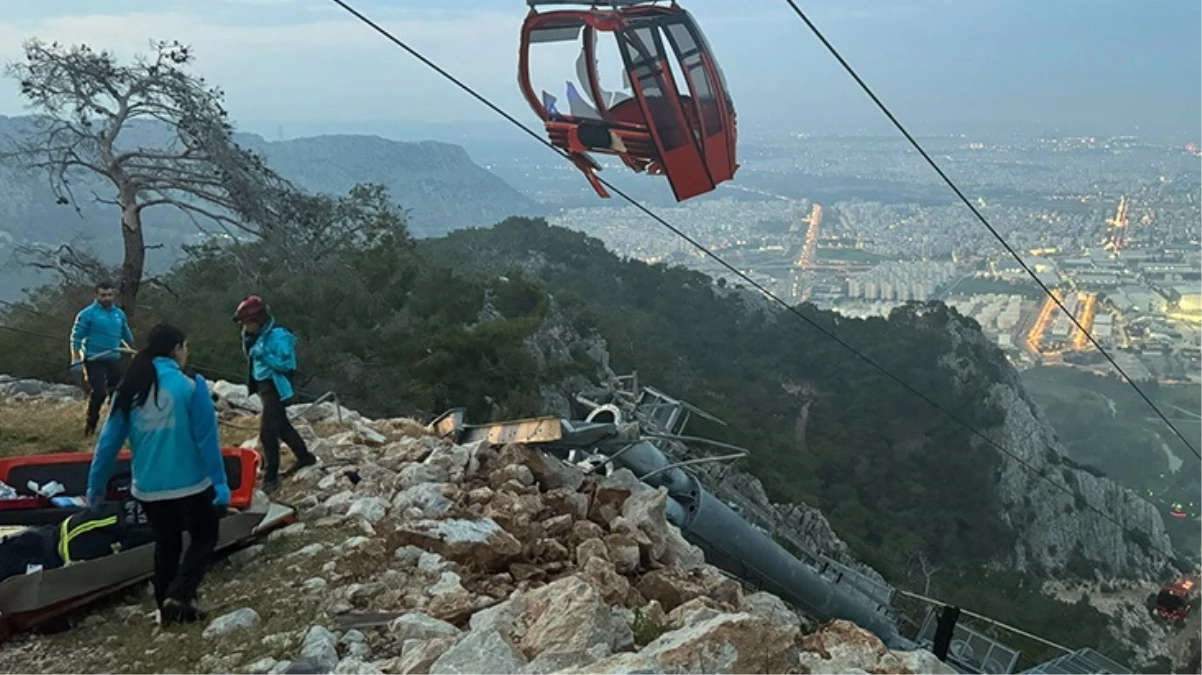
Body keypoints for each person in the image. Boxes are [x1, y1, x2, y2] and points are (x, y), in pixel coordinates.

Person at [85, 323, 229, 626]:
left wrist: (95, 487)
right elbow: (206, 440)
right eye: (185, 347)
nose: (186, 353)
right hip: (192, 483)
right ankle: (181, 594)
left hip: (149, 487)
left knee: (167, 543)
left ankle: (168, 610)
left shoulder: (129, 389)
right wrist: (220, 483)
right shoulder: (191, 386)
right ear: (176, 349)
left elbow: (107, 445)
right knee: (205, 535)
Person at [234, 295, 317, 492]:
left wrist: (265, 356)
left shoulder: (279, 336)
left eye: (248, 322)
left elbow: (287, 364)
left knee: (268, 431)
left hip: (275, 386)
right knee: (282, 426)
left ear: (259, 320)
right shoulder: (253, 335)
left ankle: (271, 477)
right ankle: (304, 457)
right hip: (263, 385)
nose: (245, 326)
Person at [70, 281, 135, 436]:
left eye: (109, 295)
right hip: (94, 359)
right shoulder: (87, 314)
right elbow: (76, 337)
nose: (107, 298)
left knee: (117, 394)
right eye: (103, 295)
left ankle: (117, 428)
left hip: (114, 358)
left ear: (114, 295)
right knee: (99, 392)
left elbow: (126, 334)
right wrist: (75, 358)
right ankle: (90, 426)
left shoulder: (119, 314)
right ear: (97, 296)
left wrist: (132, 349)